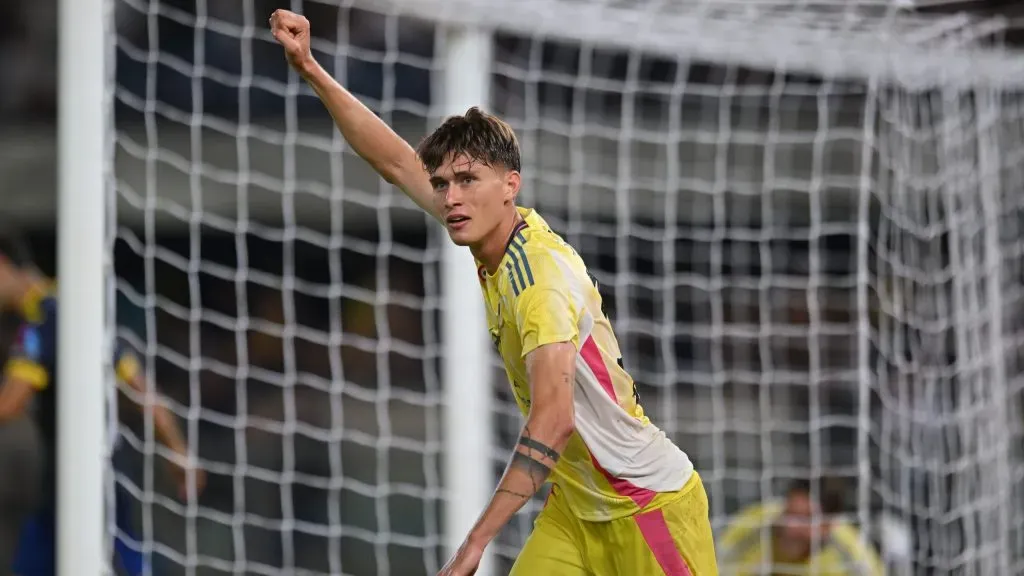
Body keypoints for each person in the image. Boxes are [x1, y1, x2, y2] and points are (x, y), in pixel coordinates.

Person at [270, 9, 718, 576]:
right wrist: (310, 67)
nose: (450, 197)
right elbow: (391, 159)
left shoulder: (542, 280)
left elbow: (553, 421)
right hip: (574, 510)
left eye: (467, 180)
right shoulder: (489, 234)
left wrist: (475, 544)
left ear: (511, 185)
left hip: (645, 505)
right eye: (443, 184)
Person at [0, 249, 206, 576]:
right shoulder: (80, 307)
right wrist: (177, 448)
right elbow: (144, 391)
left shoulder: (44, 319)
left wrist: (177, 450)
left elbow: (8, 405)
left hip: (76, 475)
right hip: (100, 468)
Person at [717, 477, 884, 575]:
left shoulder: (850, 555)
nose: (790, 527)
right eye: (788, 513)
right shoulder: (752, 528)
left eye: (805, 519)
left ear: (827, 526)